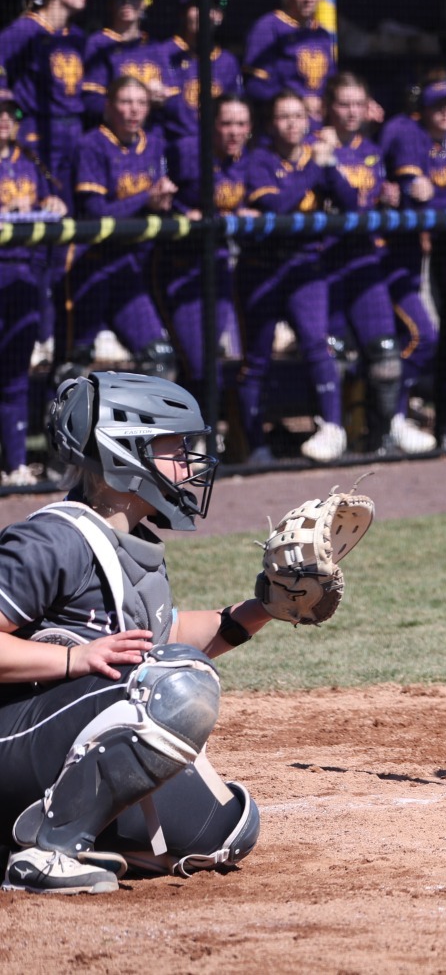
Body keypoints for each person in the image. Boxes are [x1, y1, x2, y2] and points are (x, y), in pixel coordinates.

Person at [0, 372, 264, 894]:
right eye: (175, 449)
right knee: (169, 684)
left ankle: (57, 828)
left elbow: (164, 637)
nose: (189, 464)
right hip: (11, 737)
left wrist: (266, 607)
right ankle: (47, 854)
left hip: (44, 742)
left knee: (224, 830)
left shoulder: (129, 542)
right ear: (125, 455)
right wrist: (76, 660)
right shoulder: (52, 540)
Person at [323, 74, 433, 457]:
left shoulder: (372, 150)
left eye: (358, 104)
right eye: (343, 104)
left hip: (366, 261)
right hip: (326, 265)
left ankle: (383, 434)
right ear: (329, 107)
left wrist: (389, 198)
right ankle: (334, 432)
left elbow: (365, 201)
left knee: (386, 351)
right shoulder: (315, 147)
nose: (351, 112)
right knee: (332, 352)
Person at [238, 90, 345, 463]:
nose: (292, 124)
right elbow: (278, 205)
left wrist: (329, 166)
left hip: (306, 264)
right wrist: (316, 166)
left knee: (318, 342)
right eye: (284, 117)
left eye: (299, 116)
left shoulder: (315, 158)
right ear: (271, 123)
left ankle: (333, 427)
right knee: (257, 358)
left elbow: (351, 201)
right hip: (262, 268)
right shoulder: (259, 161)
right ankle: (257, 447)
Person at [384, 80, 446, 448]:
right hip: (388, 252)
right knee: (421, 337)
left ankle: (396, 419)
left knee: (428, 339)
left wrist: (437, 198)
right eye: (437, 105)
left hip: (424, 255)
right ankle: (391, 418)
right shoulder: (406, 132)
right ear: (422, 108)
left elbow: (443, 200)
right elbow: (417, 198)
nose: (444, 112)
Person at [65, 75, 177, 383]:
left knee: (158, 357)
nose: (133, 111)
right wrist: (147, 198)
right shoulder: (91, 144)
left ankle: (148, 432)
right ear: (108, 107)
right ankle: (60, 431)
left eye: (141, 103)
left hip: (127, 268)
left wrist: (166, 202)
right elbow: (96, 212)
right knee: (73, 365)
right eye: (125, 102)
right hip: (88, 267)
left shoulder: (153, 144)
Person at [158, 96, 252, 391]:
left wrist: (242, 210)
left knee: (210, 361)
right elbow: (161, 196)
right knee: (196, 362)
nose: (234, 132)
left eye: (241, 124)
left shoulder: (247, 159)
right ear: (211, 126)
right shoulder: (187, 152)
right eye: (226, 124)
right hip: (179, 265)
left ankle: (200, 434)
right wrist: (185, 213)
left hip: (219, 263)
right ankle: (188, 434)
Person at [0, 86, 63, 486]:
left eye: (12, 113)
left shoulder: (30, 161)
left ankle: (16, 465)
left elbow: (53, 199)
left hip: (23, 277)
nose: (6, 120)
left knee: (15, 375)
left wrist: (54, 204)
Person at [0, 0, 94, 195]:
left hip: (74, 127)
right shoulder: (25, 29)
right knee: (44, 203)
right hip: (38, 129)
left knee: (69, 207)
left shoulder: (77, 36)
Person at [242, 0, 337, 121]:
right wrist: (297, 101)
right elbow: (254, 85)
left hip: (318, 127)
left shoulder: (322, 34)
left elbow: (332, 83)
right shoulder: (268, 27)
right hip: (280, 126)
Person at [80, 0, 171, 124]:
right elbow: (91, 101)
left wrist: (163, 97)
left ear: (144, 3)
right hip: (112, 135)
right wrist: (137, 101)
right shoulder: (98, 44)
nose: (127, 2)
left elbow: (175, 100)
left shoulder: (156, 47)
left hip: (153, 136)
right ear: (111, 3)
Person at [156, 0, 242, 143]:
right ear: (183, 14)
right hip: (172, 144)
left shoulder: (228, 61)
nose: (203, 13)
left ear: (219, 16)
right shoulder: (162, 54)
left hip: (216, 147)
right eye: (196, 6)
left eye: (210, 8)